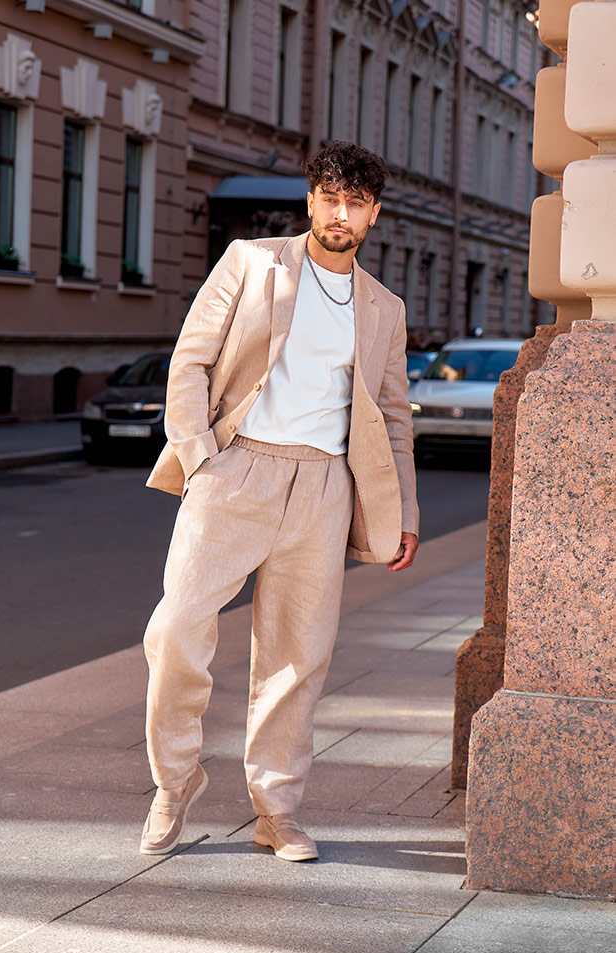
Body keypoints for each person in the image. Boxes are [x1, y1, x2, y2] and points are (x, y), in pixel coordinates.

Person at [140, 141, 419, 862]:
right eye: (329, 199)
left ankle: (277, 810)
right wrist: (200, 459)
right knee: (176, 628)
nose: (340, 214)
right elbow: (191, 361)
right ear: (310, 201)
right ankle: (174, 781)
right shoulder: (250, 261)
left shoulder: (384, 308)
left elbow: (393, 417)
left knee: (297, 658)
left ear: (373, 214)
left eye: (355, 203)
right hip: (237, 470)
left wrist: (404, 516)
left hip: (324, 486)